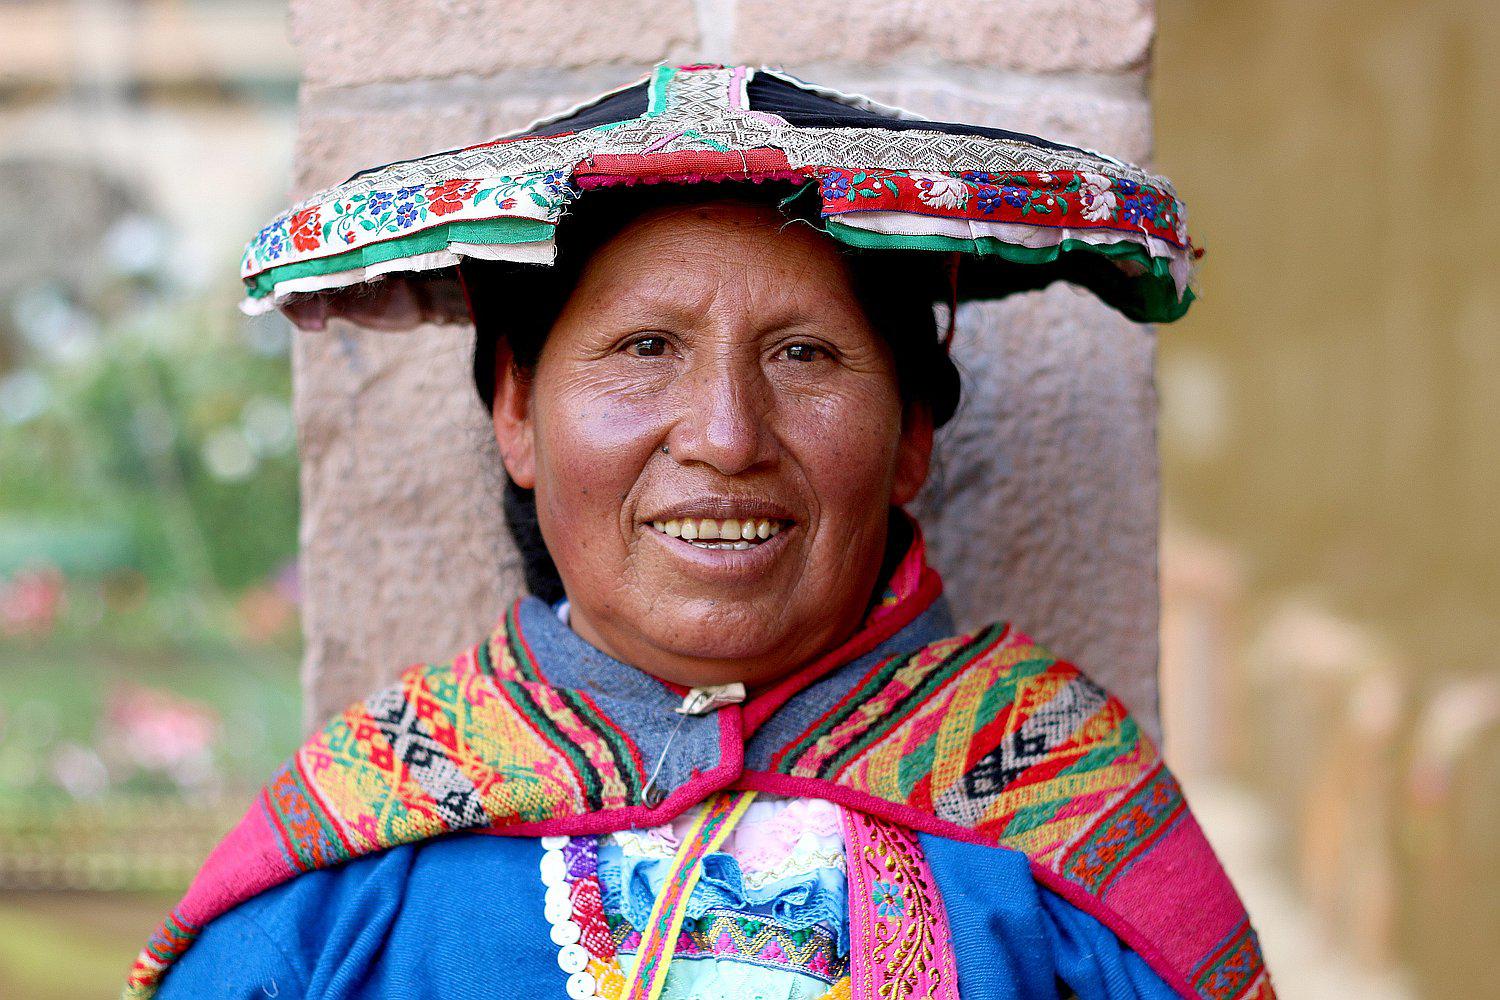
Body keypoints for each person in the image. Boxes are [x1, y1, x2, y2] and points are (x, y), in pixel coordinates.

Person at [127, 64, 1271, 1000]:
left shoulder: (1074, 815)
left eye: (804, 354)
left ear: (911, 433)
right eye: (645, 348)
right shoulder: (347, 865)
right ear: (517, 410)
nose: (726, 436)